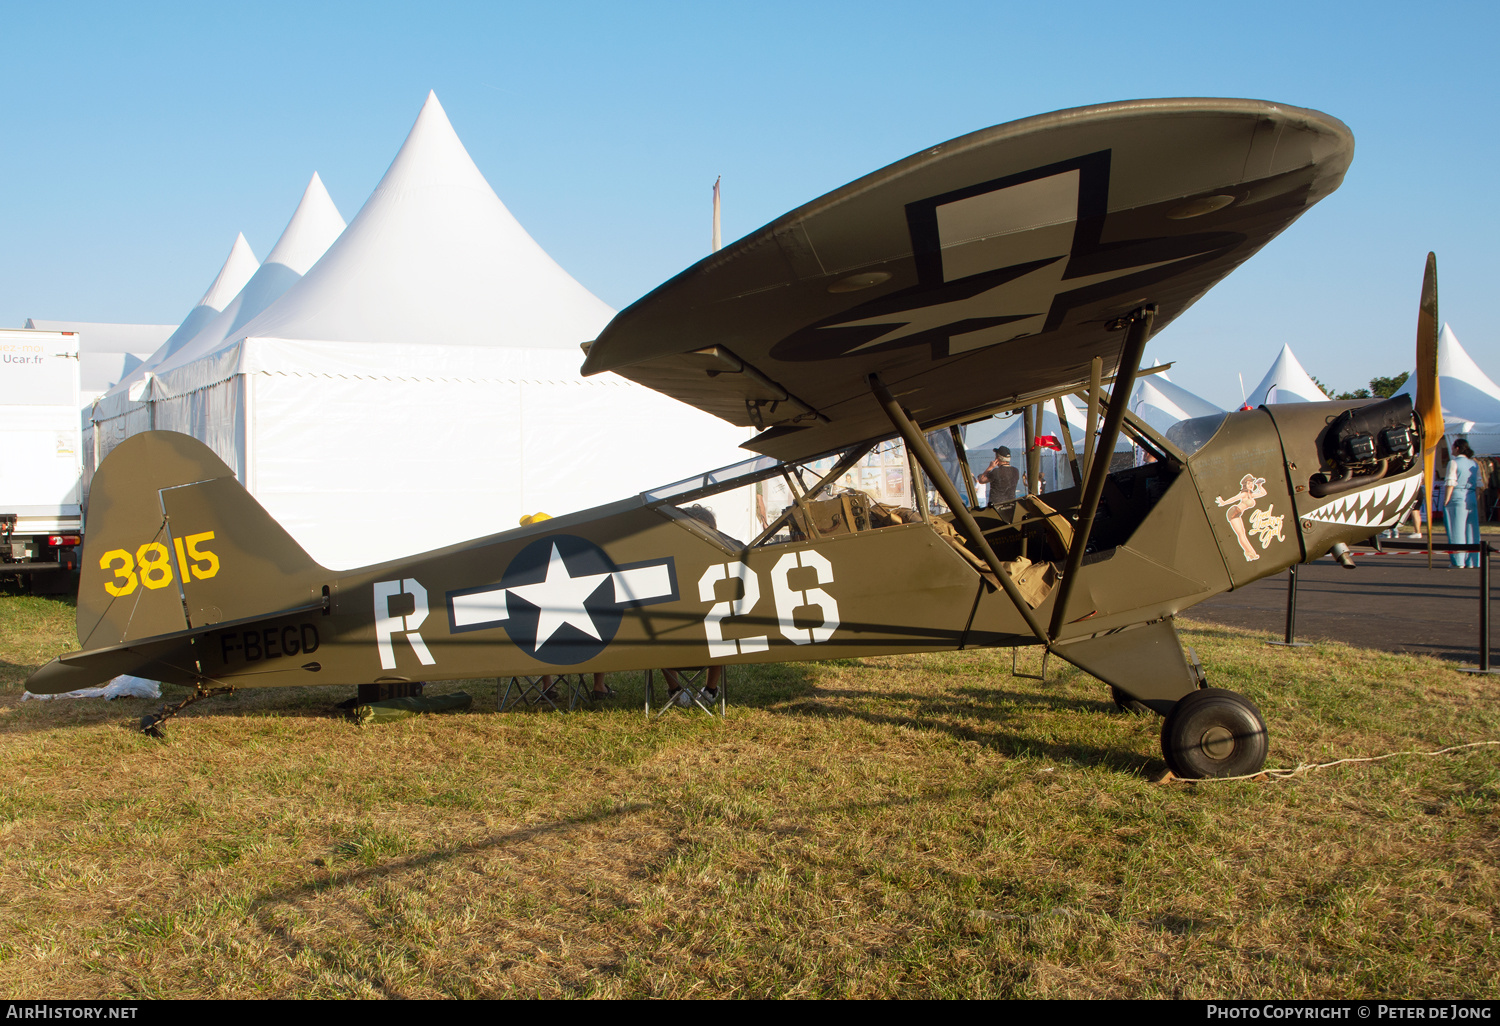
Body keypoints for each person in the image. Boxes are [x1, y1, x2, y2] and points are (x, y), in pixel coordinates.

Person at [1444, 438, 1481, 568]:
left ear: (1457, 448)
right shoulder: (1474, 464)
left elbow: (1450, 482)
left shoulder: (1453, 462)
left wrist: (1446, 499)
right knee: (1472, 530)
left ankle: (1458, 560)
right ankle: (1473, 560)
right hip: (1470, 496)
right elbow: (1478, 484)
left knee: (1456, 530)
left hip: (1457, 496)